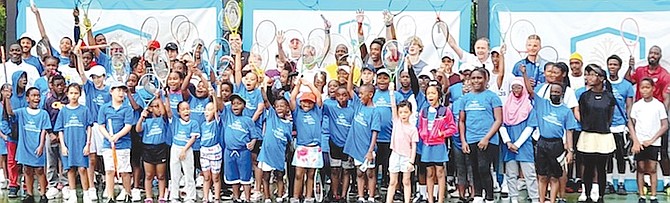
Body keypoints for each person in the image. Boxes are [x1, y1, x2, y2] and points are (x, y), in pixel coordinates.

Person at [627, 46, 670, 190]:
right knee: (640, 157)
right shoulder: (640, 71)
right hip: (640, 118)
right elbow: (628, 80)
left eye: (656, 53)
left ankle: (666, 182)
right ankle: (644, 184)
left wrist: (660, 116)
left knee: (662, 153)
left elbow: (666, 98)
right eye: (651, 53)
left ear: (660, 56)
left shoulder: (664, 74)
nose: (653, 55)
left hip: (656, 118)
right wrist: (630, 67)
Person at [459, 67, 503, 203]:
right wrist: (464, 141)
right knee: (474, 169)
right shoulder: (465, 99)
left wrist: (486, 138)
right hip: (470, 139)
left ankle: (489, 197)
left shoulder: (492, 97)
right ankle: (478, 196)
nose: (476, 81)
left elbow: (499, 120)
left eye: (479, 78)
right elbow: (461, 121)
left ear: (486, 79)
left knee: (484, 168)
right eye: (473, 78)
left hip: (488, 140)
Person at [577, 64, 616, 202]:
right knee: (588, 167)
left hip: (604, 136)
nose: (590, 77)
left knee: (601, 168)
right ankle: (587, 195)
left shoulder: (609, 97)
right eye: (589, 74)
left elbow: (610, 117)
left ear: (601, 78)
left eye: (593, 75)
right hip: (588, 136)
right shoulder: (584, 96)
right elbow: (582, 114)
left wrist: (603, 127)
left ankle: (600, 196)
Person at [6, 87, 52, 203]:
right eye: (33, 95)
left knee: (40, 170)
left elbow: (43, 130)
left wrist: (41, 145)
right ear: (27, 98)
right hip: (24, 146)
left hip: (37, 145)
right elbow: (10, 112)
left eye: (38, 96)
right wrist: (7, 99)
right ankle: (30, 194)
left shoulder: (43, 114)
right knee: (27, 170)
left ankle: (43, 194)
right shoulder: (21, 112)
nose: (36, 98)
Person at [343, 65, 381, 203]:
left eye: (362, 94)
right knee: (359, 172)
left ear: (370, 95)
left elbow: (375, 132)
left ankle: (370, 197)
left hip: (367, 147)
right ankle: (360, 196)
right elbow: (349, 89)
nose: (359, 96)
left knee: (370, 172)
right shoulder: (358, 105)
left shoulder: (374, 111)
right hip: (357, 146)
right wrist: (352, 71)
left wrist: (371, 150)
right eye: (358, 94)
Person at [499, 77, 539, 203]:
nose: (516, 90)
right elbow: (501, 124)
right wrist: (508, 142)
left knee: (530, 174)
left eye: (519, 87)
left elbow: (530, 126)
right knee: (511, 173)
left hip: (523, 145)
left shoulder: (528, 106)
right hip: (509, 144)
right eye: (514, 87)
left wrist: (517, 144)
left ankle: (534, 198)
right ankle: (514, 198)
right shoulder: (506, 105)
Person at [417, 81, 457, 203]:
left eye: (433, 93)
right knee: (429, 172)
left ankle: (440, 199)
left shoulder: (445, 111)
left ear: (438, 95)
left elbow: (453, 128)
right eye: (428, 93)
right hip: (427, 146)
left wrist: (442, 134)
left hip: (439, 145)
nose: (430, 96)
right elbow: (420, 128)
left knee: (440, 172)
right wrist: (422, 134)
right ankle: (430, 199)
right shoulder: (423, 111)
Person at [629, 78, 668, 203]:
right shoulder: (637, 105)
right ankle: (641, 195)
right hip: (639, 142)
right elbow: (631, 123)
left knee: (652, 168)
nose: (644, 90)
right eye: (642, 87)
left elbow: (664, 125)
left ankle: (653, 195)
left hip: (653, 142)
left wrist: (652, 140)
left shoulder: (658, 105)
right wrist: (635, 140)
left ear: (653, 88)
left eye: (647, 87)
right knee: (640, 168)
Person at [54, 83, 93, 203]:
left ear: (80, 95)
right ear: (67, 94)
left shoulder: (84, 109)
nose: (73, 96)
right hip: (68, 144)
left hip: (81, 143)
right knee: (70, 169)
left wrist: (88, 144)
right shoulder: (63, 111)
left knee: (82, 169)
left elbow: (89, 127)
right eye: (71, 93)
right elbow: (60, 129)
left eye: (76, 93)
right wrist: (63, 146)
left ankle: (86, 193)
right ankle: (72, 194)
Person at [97, 81, 134, 202]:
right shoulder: (104, 108)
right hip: (108, 144)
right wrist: (109, 137)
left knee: (124, 171)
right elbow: (101, 125)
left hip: (123, 144)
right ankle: (110, 196)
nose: (121, 93)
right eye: (118, 90)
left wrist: (117, 136)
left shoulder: (127, 108)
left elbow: (128, 126)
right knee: (109, 170)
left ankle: (128, 193)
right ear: (111, 92)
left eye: (122, 90)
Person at [258, 81, 293, 203]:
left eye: (282, 106)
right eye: (277, 106)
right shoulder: (271, 116)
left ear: (287, 108)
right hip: (267, 153)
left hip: (279, 154)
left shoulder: (288, 124)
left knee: (279, 175)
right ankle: (267, 197)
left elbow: (289, 141)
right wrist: (264, 88)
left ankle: (279, 195)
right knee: (266, 176)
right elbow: (266, 101)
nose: (279, 108)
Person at [605, 55, 634, 195]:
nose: (612, 67)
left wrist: (628, 124)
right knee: (608, 156)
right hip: (606, 126)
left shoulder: (627, 86)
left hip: (620, 126)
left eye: (615, 64)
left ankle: (621, 183)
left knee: (621, 156)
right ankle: (609, 182)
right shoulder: (603, 84)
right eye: (610, 64)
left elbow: (629, 107)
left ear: (619, 67)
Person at [222, 94, 259, 202]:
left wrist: (252, 142)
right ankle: (236, 197)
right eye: (233, 104)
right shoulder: (227, 116)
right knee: (233, 178)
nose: (235, 106)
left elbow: (254, 136)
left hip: (243, 152)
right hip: (229, 152)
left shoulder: (248, 120)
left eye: (239, 103)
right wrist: (215, 93)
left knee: (245, 177)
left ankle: (247, 198)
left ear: (244, 105)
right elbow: (219, 104)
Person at [385, 84, 418, 203]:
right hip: (395, 154)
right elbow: (393, 106)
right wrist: (391, 92)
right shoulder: (396, 121)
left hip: (406, 157)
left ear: (410, 113)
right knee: (393, 181)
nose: (403, 114)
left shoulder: (413, 128)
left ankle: (407, 200)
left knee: (406, 181)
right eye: (401, 112)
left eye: (406, 112)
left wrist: (411, 161)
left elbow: (414, 146)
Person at [135, 96, 170, 203]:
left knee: (161, 175)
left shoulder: (163, 120)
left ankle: (162, 196)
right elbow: (138, 129)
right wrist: (141, 117)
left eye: (160, 106)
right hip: (148, 149)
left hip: (160, 148)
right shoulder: (147, 121)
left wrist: (159, 98)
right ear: (150, 108)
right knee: (149, 175)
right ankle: (149, 197)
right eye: (156, 106)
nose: (159, 109)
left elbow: (164, 112)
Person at [165, 100, 200, 202]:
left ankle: (191, 196)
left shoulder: (194, 123)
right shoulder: (175, 121)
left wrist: (184, 150)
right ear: (179, 112)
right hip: (175, 148)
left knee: (189, 173)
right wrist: (167, 97)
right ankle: (174, 196)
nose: (186, 111)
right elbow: (168, 111)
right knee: (174, 173)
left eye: (187, 109)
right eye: (183, 109)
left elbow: (193, 138)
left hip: (187, 149)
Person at [42, 75, 68, 200]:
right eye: (57, 85)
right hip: (51, 134)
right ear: (51, 85)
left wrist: (61, 134)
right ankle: (52, 184)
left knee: (65, 159)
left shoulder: (68, 99)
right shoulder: (47, 99)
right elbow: (44, 117)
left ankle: (65, 183)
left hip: (64, 135)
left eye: (62, 85)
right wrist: (50, 133)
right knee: (51, 160)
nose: (60, 87)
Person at [200, 88, 223, 203]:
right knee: (206, 177)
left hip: (215, 151)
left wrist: (214, 95)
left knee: (215, 177)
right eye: (206, 110)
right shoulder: (203, 125)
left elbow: (217, 109)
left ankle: (217, 198)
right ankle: (205, 197)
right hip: (204, 151)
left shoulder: (216, 122)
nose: (208, 112)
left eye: (210, 110)